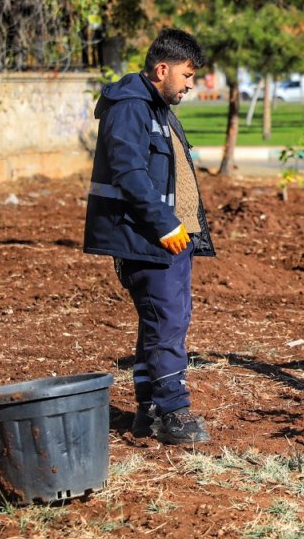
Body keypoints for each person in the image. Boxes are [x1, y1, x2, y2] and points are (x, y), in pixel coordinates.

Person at [84, 28, 215, 445]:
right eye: (188, 75)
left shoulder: (155, 107)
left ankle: (150, 409)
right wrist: (164, 223)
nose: (191, 85)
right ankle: (174, 412)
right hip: (151, 239)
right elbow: (129, 174)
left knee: (161, 323)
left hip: (173, 239)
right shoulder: (130, 108)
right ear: (163, 68)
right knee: (167, 324)